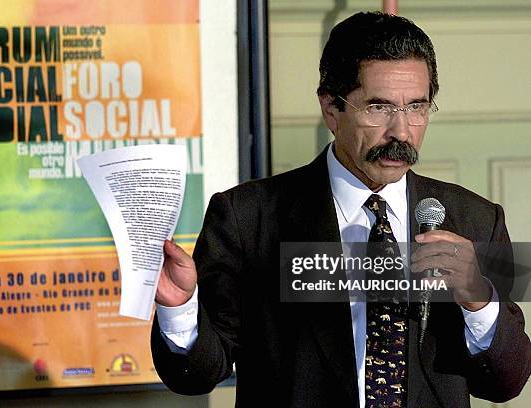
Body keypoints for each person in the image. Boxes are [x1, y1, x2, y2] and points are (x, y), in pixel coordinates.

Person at [150, 11, 530, 408]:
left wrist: (479, 299)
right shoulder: (246, 216)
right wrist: (179, 309)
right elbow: (199, 374)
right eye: (379, 108)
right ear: (331, 108)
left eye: (417, 107)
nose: (401, 132)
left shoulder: (478, 219)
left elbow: (507, 382)